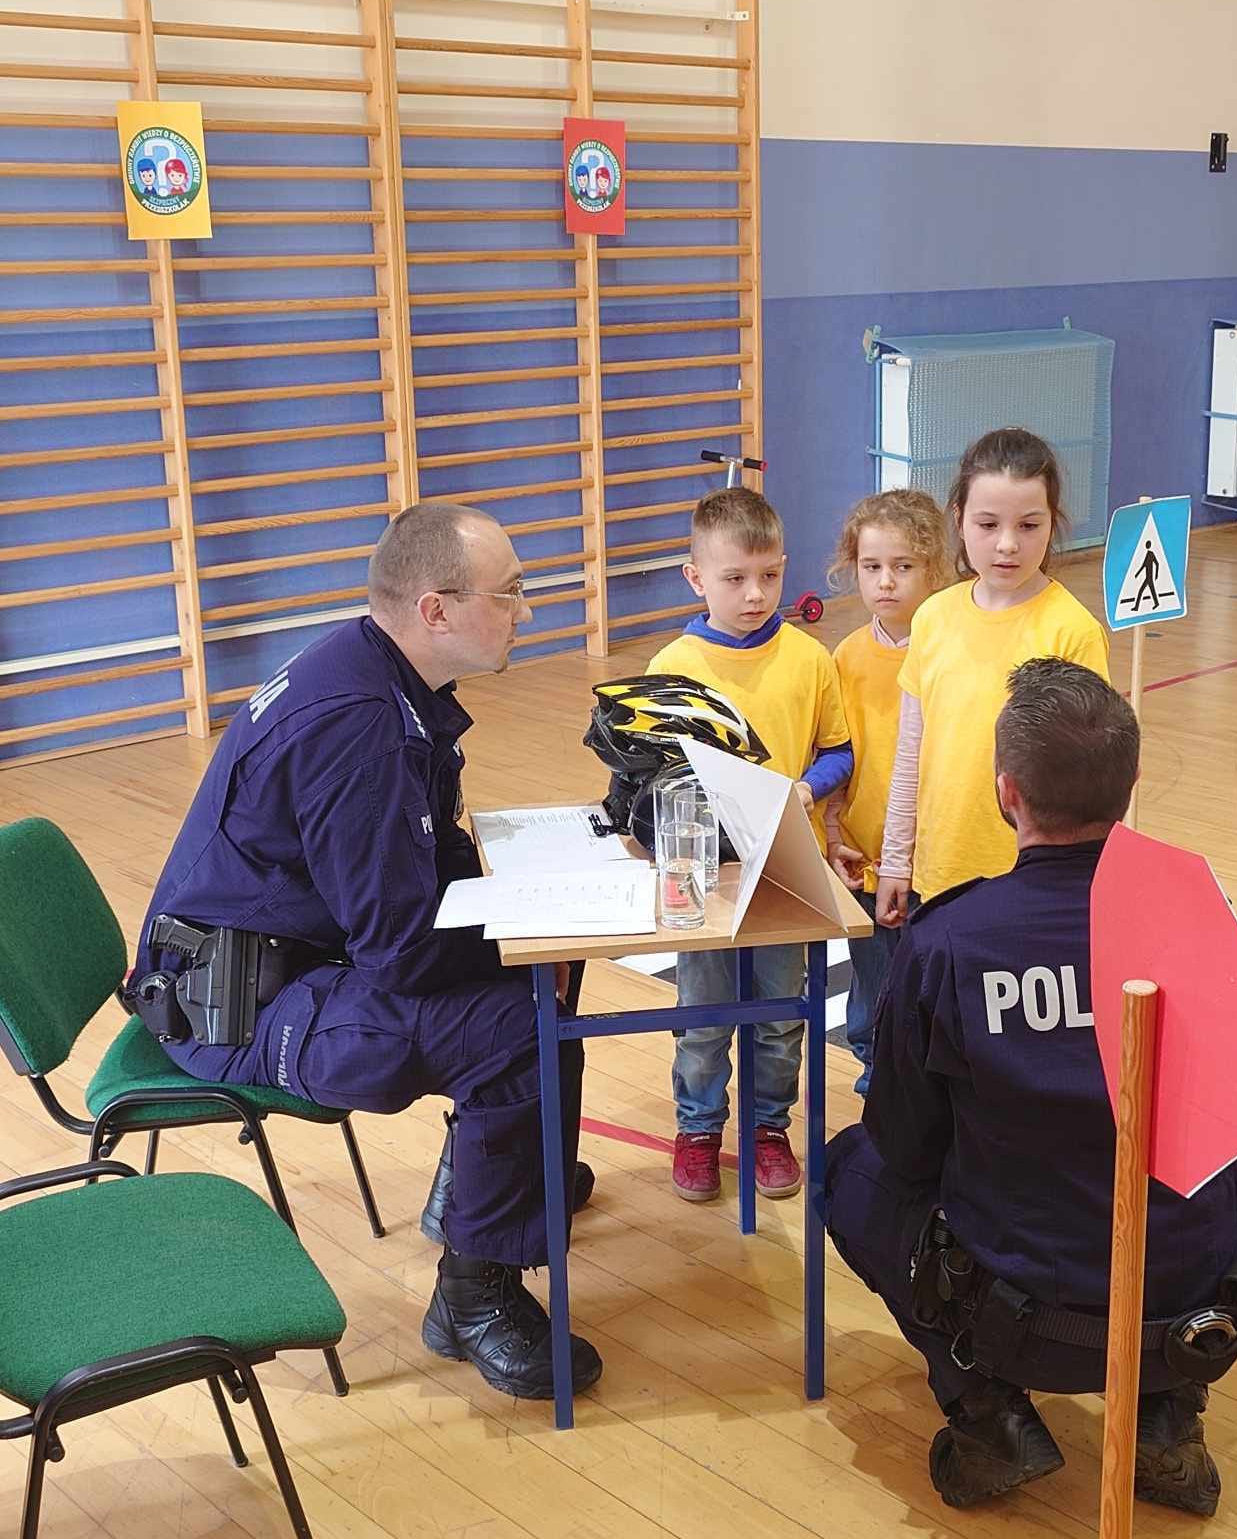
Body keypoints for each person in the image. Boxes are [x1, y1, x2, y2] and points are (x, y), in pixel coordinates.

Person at [128, 502, 603, 1403]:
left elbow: (414, 878)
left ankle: (492, 1186)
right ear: (435, 609)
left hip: (276, 961)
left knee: (544, 973)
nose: (527, 611)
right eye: (511, 594)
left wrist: (544, 915)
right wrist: (544, 928)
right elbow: (403, 950)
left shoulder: (378, 673)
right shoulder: (359, 727)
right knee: (518, 1022)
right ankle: (472, 1298)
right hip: (239, 1007)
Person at [826, 659, 1237, 1516]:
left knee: (848, 1173)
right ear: (1134, 784)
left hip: (1028, 1313)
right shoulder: (1200, 914)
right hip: (1194, 1291)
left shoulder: (951, 941)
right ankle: (1168, 1409)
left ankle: (986, 1412)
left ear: (1007, 793)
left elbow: (905, 1142)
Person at [647, 485, 852, 1203]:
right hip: (704, 873)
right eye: (734, 578)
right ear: (696, 578)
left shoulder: (808, 657)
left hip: (784, 866)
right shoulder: (674, 663)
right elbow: (650, 776)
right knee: (701, 1018)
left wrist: (809, 787)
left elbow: (839, 751)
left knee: (778, 1014)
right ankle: (698, 1130)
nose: (756, 593)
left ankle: (769, 1128)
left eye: (769, 576)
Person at [875, 429, 1110, 928]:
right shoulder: (933, 618)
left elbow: (1090, 783)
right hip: (938, 880)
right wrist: (897, 859)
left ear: (1053, 523)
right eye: (988, 524)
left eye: (1029, 525)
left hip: (1030, 886)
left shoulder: (1072, 632)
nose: (1008, 544)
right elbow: (910, 752)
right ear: (958, 521)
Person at [822, 488, 951, 1095]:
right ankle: (876, 1084)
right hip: (868, 858)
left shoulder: (951, 646)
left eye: (903, 567)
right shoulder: (846, 656)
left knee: (934, 988)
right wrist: (830, 831)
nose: (886, 582)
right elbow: (837, 756)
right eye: (872, 567)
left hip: (940, 858)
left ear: (934, 568)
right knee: (873, 987)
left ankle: (932, 1091)